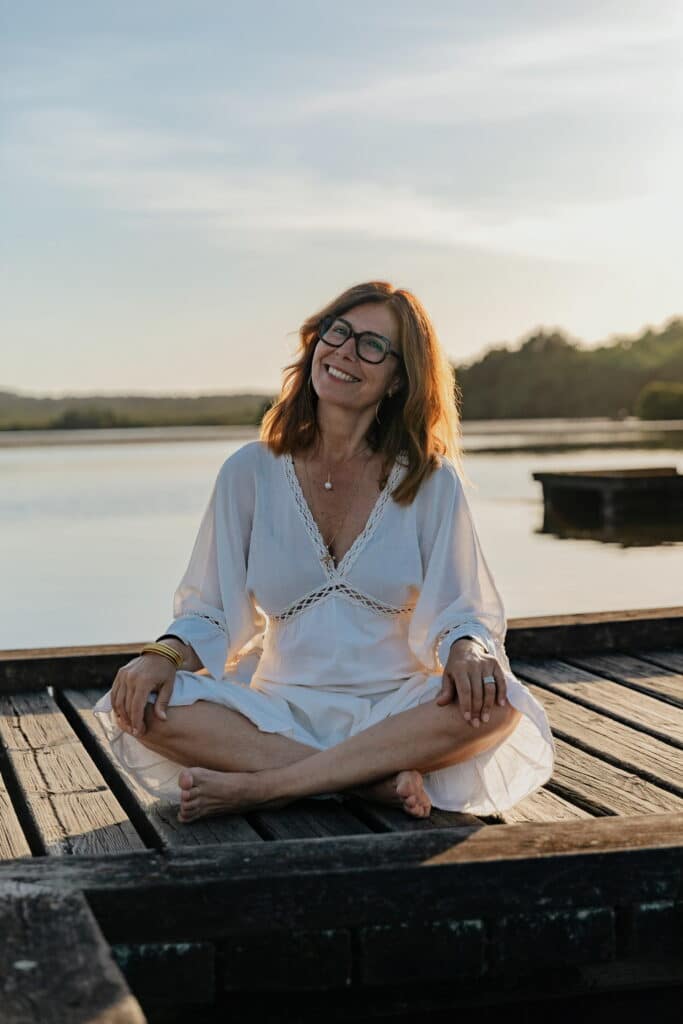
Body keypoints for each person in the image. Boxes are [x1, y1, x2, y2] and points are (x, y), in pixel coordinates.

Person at [93, 281, 555, 822]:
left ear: (398, 378)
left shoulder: (430, 482)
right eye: (338, 332)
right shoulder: (250, 472)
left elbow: (462, 611)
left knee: (500, 706)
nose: (345, 352)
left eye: (372, 345)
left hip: (396, 712)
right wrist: (161, 656)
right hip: (274, 711)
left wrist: (468, 650)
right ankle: (368, 784)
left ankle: (270, 786)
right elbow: (209, 612)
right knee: (142, 704)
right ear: (317, 342)